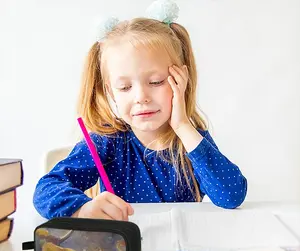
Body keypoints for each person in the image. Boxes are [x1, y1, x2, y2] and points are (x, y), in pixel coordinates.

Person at [33, 0, 247, 221]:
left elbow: (231, 196)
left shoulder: (192, 141)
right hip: (126, 249)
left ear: (181, 80)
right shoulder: (106, 142)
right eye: (125, 87)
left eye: (155, 82)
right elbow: (45, 190)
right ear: (111, 91)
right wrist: (82, 209)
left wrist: (183, 126)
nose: (140, 97)